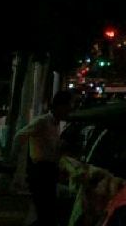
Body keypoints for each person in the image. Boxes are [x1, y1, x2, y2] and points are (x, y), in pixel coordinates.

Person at [14, 90, 73, 226]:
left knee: (47, 210)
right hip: (40, 171)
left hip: (50, 170)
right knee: (44, 210)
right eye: (69, 105)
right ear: (60, 106)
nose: (70, 109)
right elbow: (20, 136)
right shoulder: (42, 122)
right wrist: (20, 160)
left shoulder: (56, 124)